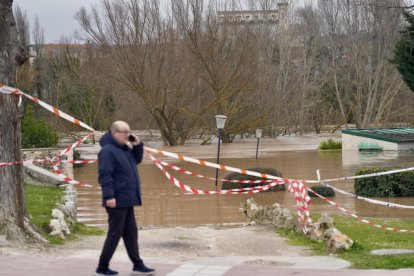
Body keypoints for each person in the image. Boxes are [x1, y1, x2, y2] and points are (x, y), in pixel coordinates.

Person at [94, 121, 155, 276]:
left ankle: (138, 265)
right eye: (125, 132)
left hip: (127, 198)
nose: (128, 135)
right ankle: (102, 268)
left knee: (131, 233)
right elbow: (104, 175)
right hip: (116, 199)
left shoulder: (124, 149)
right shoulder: (108, 151)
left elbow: (137, 160)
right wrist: (109, 196)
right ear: (114, 133)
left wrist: (137, 145)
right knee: (115, 234)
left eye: (129, 131)